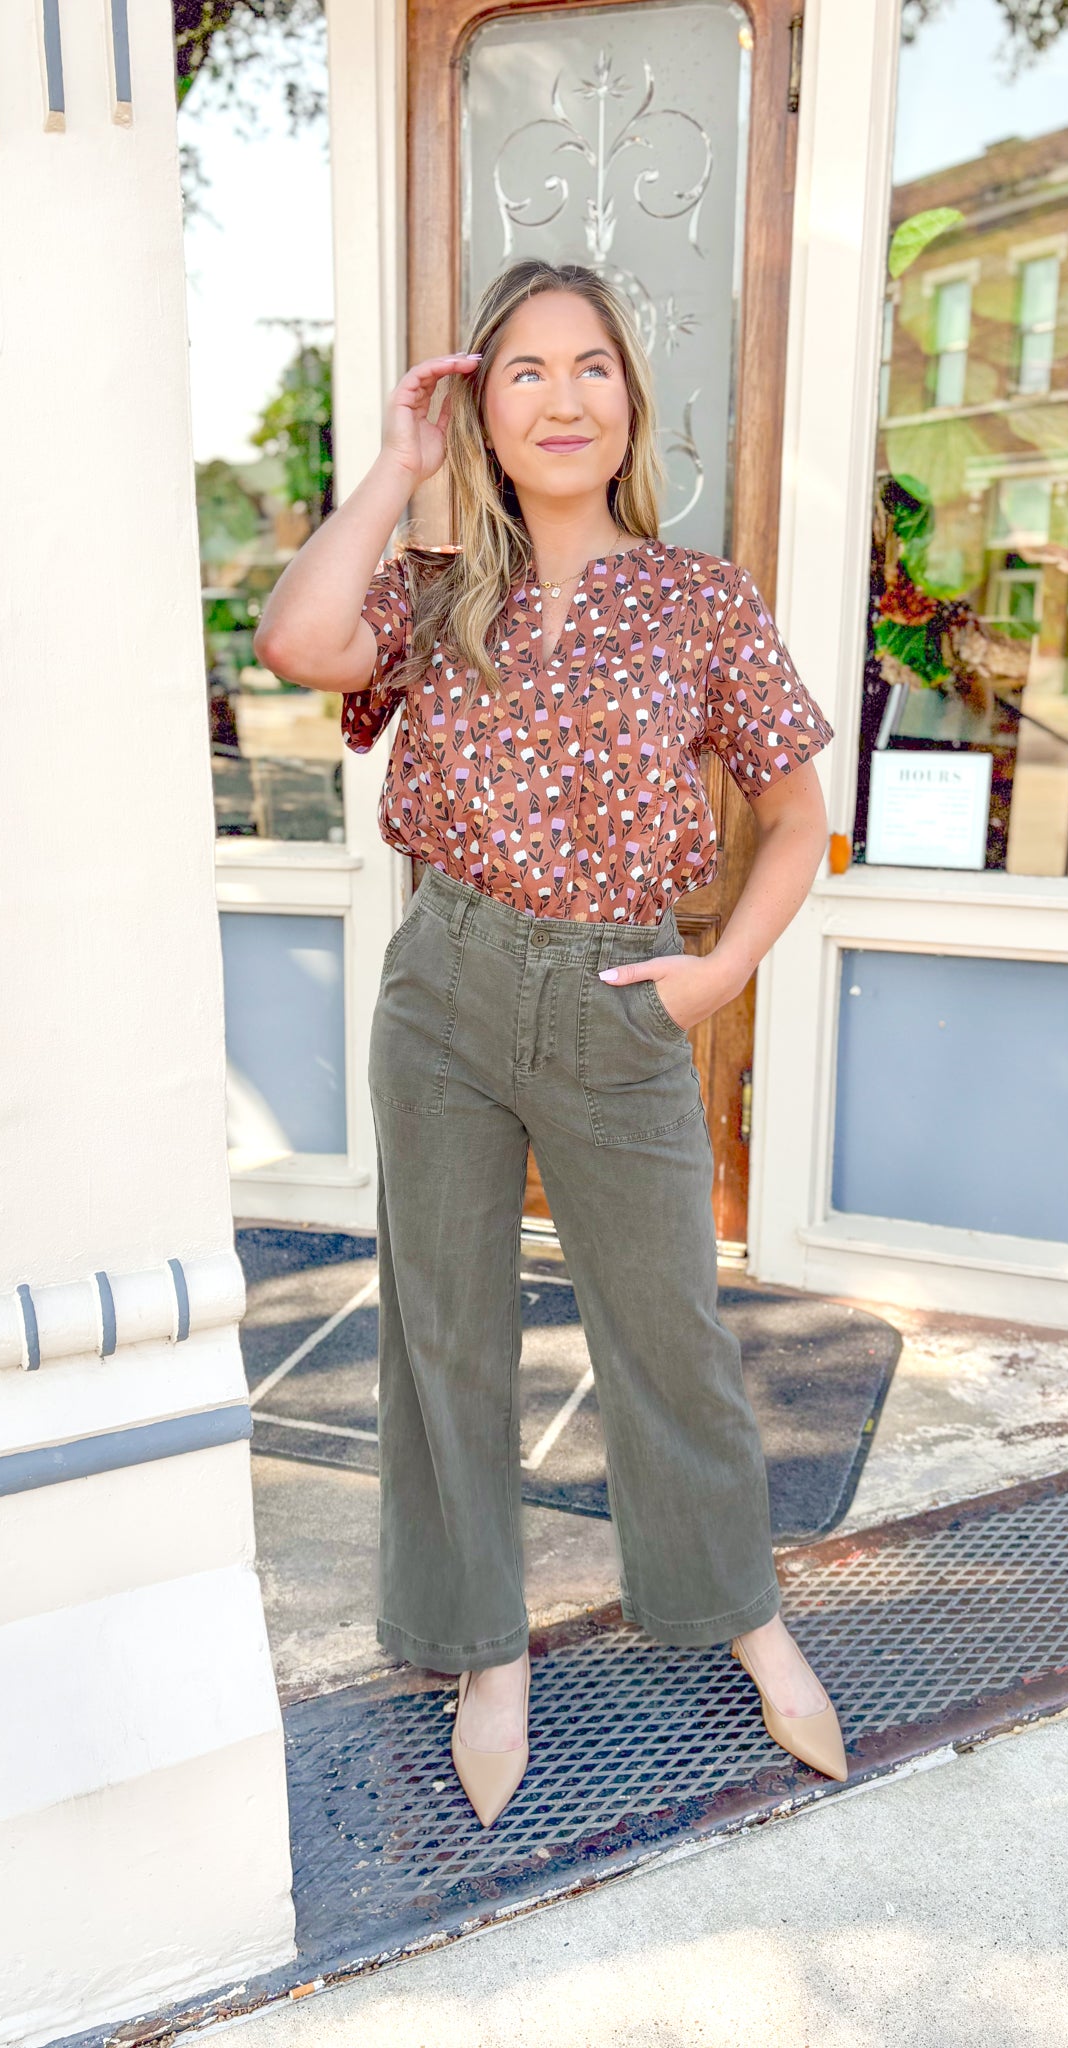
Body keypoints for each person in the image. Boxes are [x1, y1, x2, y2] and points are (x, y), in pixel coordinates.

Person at [253, 258, 841, 1828]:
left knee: (670, 1331)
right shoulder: (438, 584)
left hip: (616, 996)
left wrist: (718, 972)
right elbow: (297, 646)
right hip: (443, 984)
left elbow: (794, 817)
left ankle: (736, 1606)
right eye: (523, 371)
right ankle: (476, 1643)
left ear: (628, 402)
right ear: (482, 409)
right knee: (441, 1327)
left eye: (592, 367)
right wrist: (392, 467)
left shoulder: (696, 596)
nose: (562, 396)